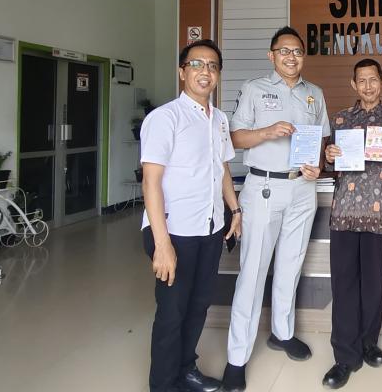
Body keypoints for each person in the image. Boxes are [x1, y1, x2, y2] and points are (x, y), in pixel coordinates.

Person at [222, 27, 330, 392]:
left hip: (303, 188)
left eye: (297, 51)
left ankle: (282, 333)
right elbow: (234, 138)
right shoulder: (254, 89)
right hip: (264, 187)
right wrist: (267, 132)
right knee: (253, 272)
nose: (291, 57)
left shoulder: (315, 93)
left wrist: (317, 166)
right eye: (284, 51)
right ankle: (237, 358)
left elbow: (321, 141)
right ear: (272, 55)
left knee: (290, 264)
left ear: (303, 56)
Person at [140, 39, 241, 392]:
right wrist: (162, 244)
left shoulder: (220, 119)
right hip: (173, 231)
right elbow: (151, 183)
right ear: (182, 71)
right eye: (197, 64)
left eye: (212, 66)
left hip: (209, 228)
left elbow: (222, 168)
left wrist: (235, 209)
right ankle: (163, 385)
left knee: (198, 306)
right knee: (172, 314)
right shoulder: (164, 118)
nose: (205, 71)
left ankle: (186, 370)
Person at [321, 58, 382, 389]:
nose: (368, 86)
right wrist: (328, 157)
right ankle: (344, 356)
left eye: (373, 80)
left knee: (373, 284)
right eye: (362, 80)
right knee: (344, 285)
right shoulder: (341, 119)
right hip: (344, 213)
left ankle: (369, 343)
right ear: (354, 84)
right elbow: (328, 167)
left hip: (377, 215)